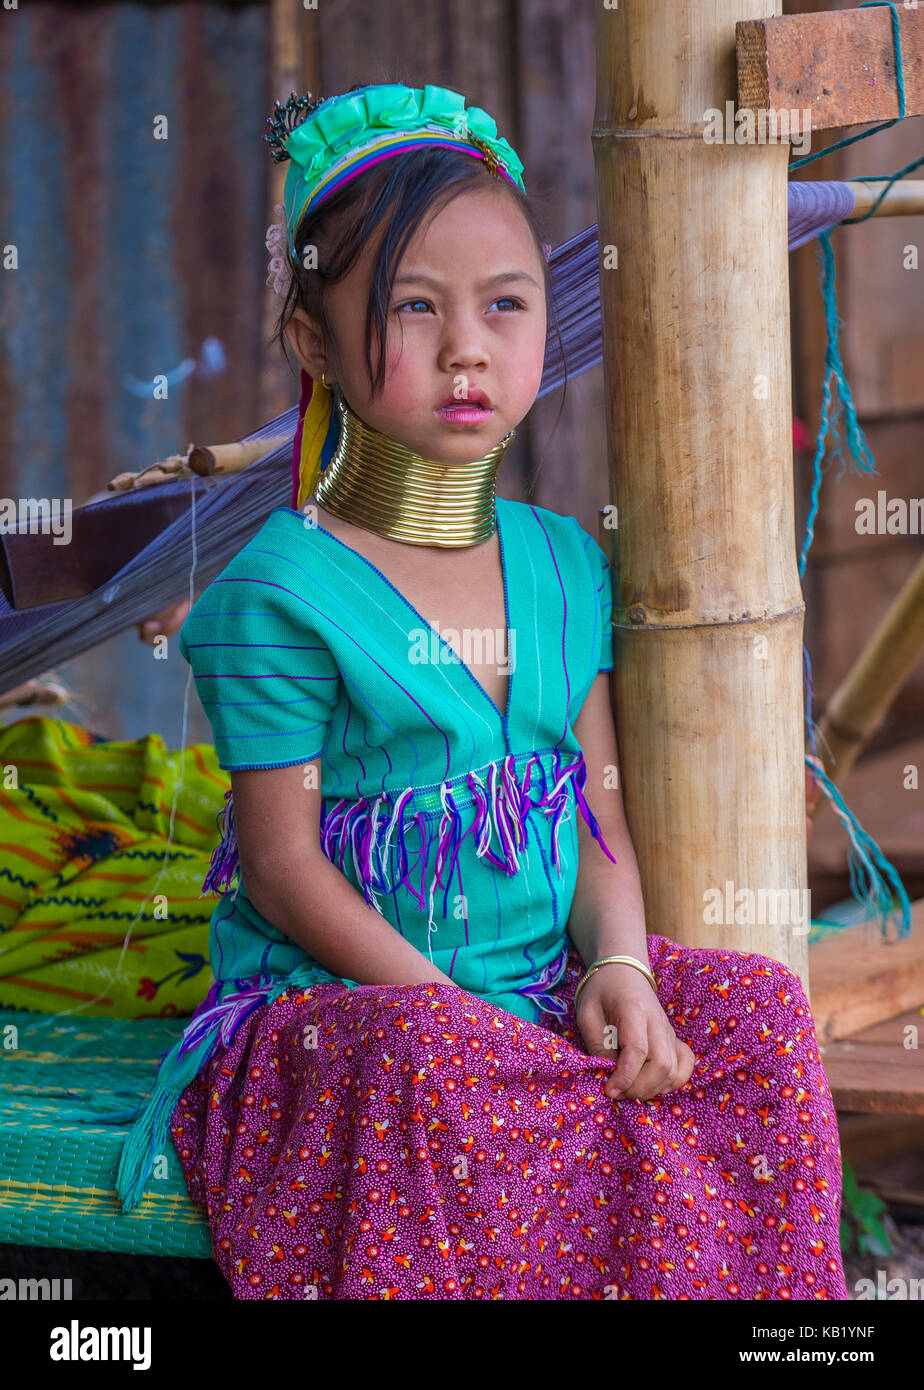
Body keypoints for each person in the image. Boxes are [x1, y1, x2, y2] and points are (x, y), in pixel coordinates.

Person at [116, 81, 849, 1301]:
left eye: (504, 305)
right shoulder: (280, 596)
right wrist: (454, 1009)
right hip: (348, 1016)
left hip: (535, 993)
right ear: (313, 343)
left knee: (760, 1013)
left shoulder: (563, 564)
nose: (469, 346)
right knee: (432, 1070)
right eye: (414, 307)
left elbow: (594, 806)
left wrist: (620, 965)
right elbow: (285, 869)